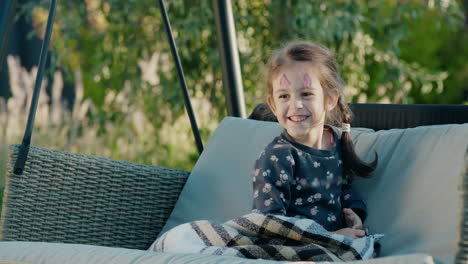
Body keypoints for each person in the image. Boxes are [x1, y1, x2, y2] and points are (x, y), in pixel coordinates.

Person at [252, 40, 378, 239]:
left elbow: (344, 187)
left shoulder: (335, 142)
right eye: (284, 96)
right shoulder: (277, 156)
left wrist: (354, 213)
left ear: (330, 99)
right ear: (273, 104)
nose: (296, 104)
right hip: (291, 245)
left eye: (306, 94)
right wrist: (334, 237)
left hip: (335, 241)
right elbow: (270, 224)